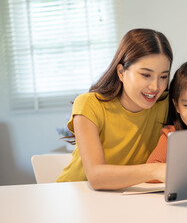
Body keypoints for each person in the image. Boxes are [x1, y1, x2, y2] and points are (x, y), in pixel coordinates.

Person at [56, 28, 173, 190]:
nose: (155, 87)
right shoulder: (89, 105)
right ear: (121, 72)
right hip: (74, 194)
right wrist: (155, 170)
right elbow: (96, 177)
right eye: (146, 75)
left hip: (125, 197)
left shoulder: (166, 104)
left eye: (163, 77)